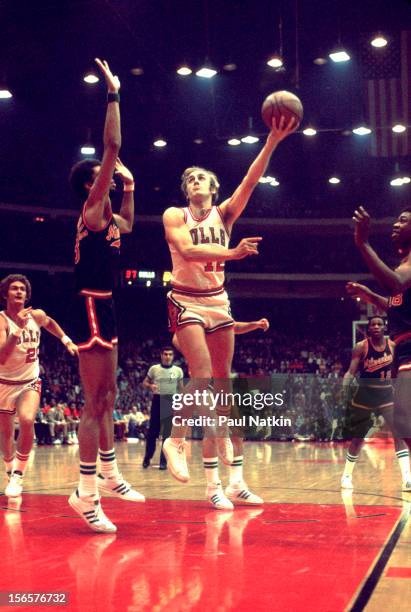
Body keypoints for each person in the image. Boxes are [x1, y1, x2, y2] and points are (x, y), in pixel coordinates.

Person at [162, 116, 296, 484]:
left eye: (201, 177)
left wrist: (271, 141)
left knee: (222, 382)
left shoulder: (225, 213)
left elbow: (251, 180)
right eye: (189, 179)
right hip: (185, 299)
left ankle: (229, 468)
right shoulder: (175, 214)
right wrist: (233, 254)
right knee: (202, 374)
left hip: (218, 302)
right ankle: (174, 441)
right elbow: (187, 250)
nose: (195, 181)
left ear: (214, 187)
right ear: (186, 190)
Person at [68, 58, 143, 534]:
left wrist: (132, 184)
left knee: (110, 395)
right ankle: (85, 492)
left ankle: (110, 473)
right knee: (95, 400)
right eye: (104, 173)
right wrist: (113, 93)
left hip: (107, 304)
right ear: (91, 183)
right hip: (90, 304)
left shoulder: (111, 219)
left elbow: (131, 224)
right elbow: (112, 143)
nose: (111, 175)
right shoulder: (92, 210)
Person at [173, 319, 270, 508]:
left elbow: (233, 326)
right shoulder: (194, 317)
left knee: (236, 432)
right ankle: (213, 488)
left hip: (222, 384)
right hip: (203, 383)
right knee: (211, 431)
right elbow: (177, 337)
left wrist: (255, 324)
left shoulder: (218, 313)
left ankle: (236, 485)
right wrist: (196, 348)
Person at [0, 274, 78, 497]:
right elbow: (2, 358)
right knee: (5, 433)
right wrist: (18, 330)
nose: (19, 292)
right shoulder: (2, 321)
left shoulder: (37, 315)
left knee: (26, 420)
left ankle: (18, 475)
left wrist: (66, 341)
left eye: (22, 289)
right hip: (3, 382)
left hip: (29, 380)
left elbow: (50, 323)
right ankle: (9, 468)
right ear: (6, 294)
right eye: (14, 288)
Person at [352, 206, 411, 455]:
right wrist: (372, 296)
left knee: (403, 415)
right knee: (402, 420)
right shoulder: (404, 263)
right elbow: (395, 304)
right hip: (404, 347)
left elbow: (396, 283)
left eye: (403, 220)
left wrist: (363, 243)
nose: (396, 224)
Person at [341, 315, 410, 491]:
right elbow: (351, 371)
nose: (377, 327)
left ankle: (407, 478)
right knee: (358, 438)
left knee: (399, 434)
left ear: (384, 327)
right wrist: (346, 384)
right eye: (373, 324)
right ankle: (347, 476)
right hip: (365, 396)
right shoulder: (361, 347)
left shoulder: (393, 347)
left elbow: (395, 372)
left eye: (380, 324)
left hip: (386, 395)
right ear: (368, 328)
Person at [142, 346, 184, 470]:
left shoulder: (178, 371)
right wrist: (150, 386)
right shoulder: (154, 369)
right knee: (152, 433)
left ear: (173, 356)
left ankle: (163, 462)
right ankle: (147, 458)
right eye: (165, 354)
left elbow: (181, 389)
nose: (167, 357)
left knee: (167, 435)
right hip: (157, 401)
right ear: (161, 355)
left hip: (171, 402)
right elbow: (145, 382)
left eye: (170, 354)